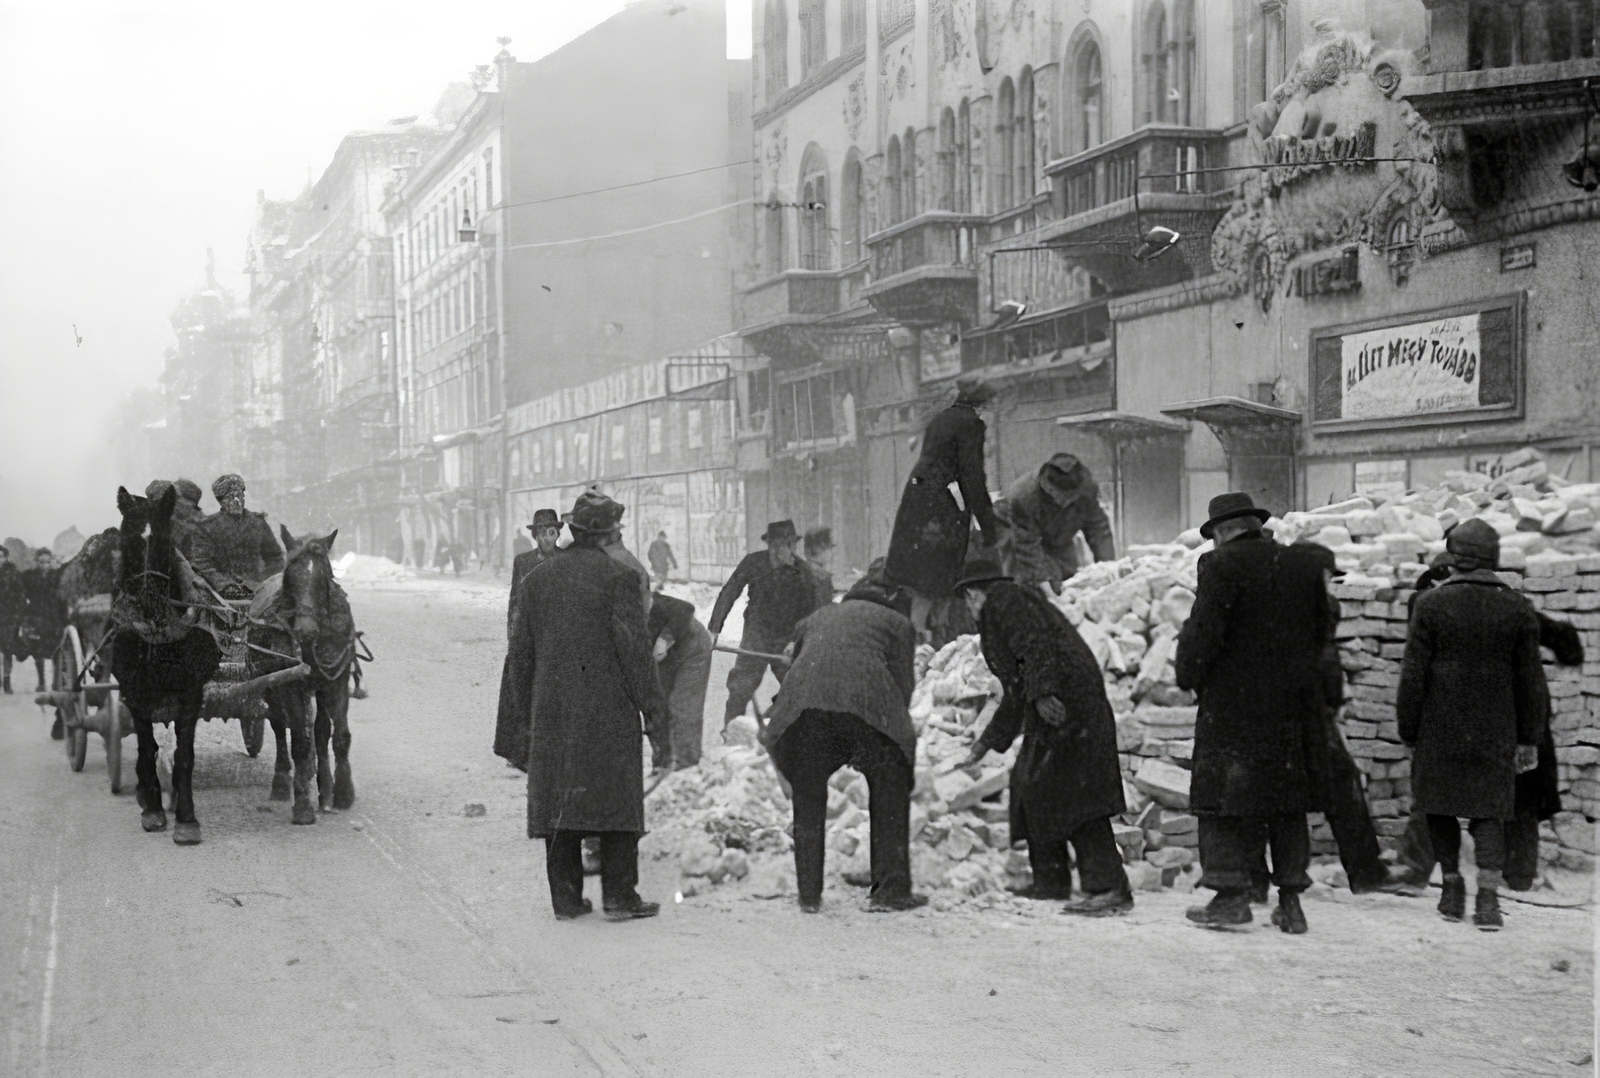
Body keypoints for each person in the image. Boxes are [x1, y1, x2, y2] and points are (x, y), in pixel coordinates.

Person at [494, 490, 666, 922]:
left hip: (551, 711)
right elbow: (634, 655)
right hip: (608, 710)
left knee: (559, 801)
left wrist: (524, 714)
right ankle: (619, 896)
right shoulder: (618, 579)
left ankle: (566, 900)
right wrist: (654, 713)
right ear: (607, 533)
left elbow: (520, 656)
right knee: (616, 798)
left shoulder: (537, 580)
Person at [1176, 493, 1326, 934]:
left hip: (1234, 703)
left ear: (1222, 532)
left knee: (1223, 799)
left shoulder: (1219, 565)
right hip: (1290, 704)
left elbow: (1205, 631)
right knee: (1284, 800)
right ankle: (1291, 902)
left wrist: (1189, 673)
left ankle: (1230, 895)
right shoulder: (1294, 564)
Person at [957, 557, 1133, 916]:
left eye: (965, 600)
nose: (967, 609)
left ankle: (1110, 887)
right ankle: (1050, 882)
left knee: (1078, 792)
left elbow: (1036, 644)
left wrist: (1044, 692)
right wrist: (986, 743)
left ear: (974, 594)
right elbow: (1016, 688)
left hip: (1069, 702)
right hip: (1055, 697)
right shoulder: (1006, 608)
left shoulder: (1004, 598)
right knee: (1033, 785)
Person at [1397, 519, 1548, 931]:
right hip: (1495, 724)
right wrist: (1528, 735)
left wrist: (1408, 728)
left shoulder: (1430, 604)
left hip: (1439, 722)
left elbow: (1414, 674)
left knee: (1438, 805)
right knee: (1489, 813)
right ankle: (1488, 900)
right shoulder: (1517, 606)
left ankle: (1450, 888)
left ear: (1455, 555)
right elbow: (1531, 678)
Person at [765, 566, 926, 913]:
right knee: (890, 780)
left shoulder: (816, 618)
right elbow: (902, 689)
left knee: (809, 793)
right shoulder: (898, 624)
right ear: (896, 596)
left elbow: (792, 668)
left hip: (804, 717)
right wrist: (875, 739)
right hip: (867, 709)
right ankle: (890, 890)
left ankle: (809, 895)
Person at [1283, 541, 1404, 896]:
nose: (1329, 583)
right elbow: (1321, 661)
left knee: (1332, 787)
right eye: (1325, 576)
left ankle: (1362, 871)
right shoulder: (1306, 608)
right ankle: (1364, 871)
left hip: (1306, 711)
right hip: (1304, 712)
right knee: (1337, 788)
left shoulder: (1308, 605)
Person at [884, 375, 1000, 636]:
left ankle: (926, 632)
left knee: (924, 578)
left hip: (918, 501)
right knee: (934, 575)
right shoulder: (971, 423)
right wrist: (989, 528)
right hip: (940, 508)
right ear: (983, 405)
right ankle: (923, 637)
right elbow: (972, 478)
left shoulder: (940, 419)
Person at [708, 520, 822, 729]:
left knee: (797, 691)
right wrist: (714, 629)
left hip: (786, 639)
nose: (783, 551)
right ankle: (732, 737)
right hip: (756, 636)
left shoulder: (803, 572)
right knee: (740, 690)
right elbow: (729, 592)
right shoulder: (753, 563)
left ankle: (789, 737)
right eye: (777, 546)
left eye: (787, 546)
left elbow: (811, 614)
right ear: (770, 546)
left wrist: (794, 642)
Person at [995, 452, 1116, 594]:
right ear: (1048, 488)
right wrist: (1051, 596)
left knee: (1069, 578)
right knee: (1026, 583)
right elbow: (1027, 549)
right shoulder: (1024, 495)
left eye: (1070, 498)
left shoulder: (1087, 487)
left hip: (1054, 528)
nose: (1064, 502)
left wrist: (1109, 574)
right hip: (1010, 524)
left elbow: (1099, 530)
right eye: (1061, 497)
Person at [189, 474, 285, 599]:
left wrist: (265, 583)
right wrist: (225, 586)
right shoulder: (208, 528)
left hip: (259, 592)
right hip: (222, 595)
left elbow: (275, 557)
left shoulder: (257, 523)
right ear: (221, 502)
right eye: (230, 497)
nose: (237, 501)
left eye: (239, 495)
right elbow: (201, 563)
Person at [647, 592, 713, 770]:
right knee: (658, 704)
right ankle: (663, 761)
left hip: (694, 649)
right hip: (665, 658)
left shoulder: (652, 600)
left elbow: (685, 608)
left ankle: (687, 763)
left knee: (682, 705)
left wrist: (665, 638)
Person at [17, 549, 67, 693]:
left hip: (54, 617)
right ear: (37, 562)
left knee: (56, 650)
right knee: (37, 651)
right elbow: (22, 592)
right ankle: (41, 682)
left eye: (47, 561)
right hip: (36, 616)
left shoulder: (57, 576)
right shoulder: (30, 576)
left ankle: (56, 681)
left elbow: (62, 598)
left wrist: (64, 619)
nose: (44, 564)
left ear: (51, 561)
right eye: (41, 561)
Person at [508, 509, 562, 637]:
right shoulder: (522, 562)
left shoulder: (569, 560)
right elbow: (515, 603)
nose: (546, 538)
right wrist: (513, 638)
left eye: (551, 532)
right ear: (535, 536)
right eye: (541, 532)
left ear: (557, 535)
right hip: (531, 633)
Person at [597, 520, 652, 619]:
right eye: (616, 531)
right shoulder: (615, 553)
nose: (620, 534)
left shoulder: (616, 553)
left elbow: (643, 580)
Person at [0, 545, 27, 694]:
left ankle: (7, 681)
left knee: (8, 650)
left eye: (1, 557)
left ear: (5, 557)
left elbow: (21, 595)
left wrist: (18, 615)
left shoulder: (13, 574)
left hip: (8, 617)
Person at [802, 526, 835, 607]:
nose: (832, 552)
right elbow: (825, 609)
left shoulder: (800, 569)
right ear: (818, 549)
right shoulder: (822, 577)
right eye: (829, 547)